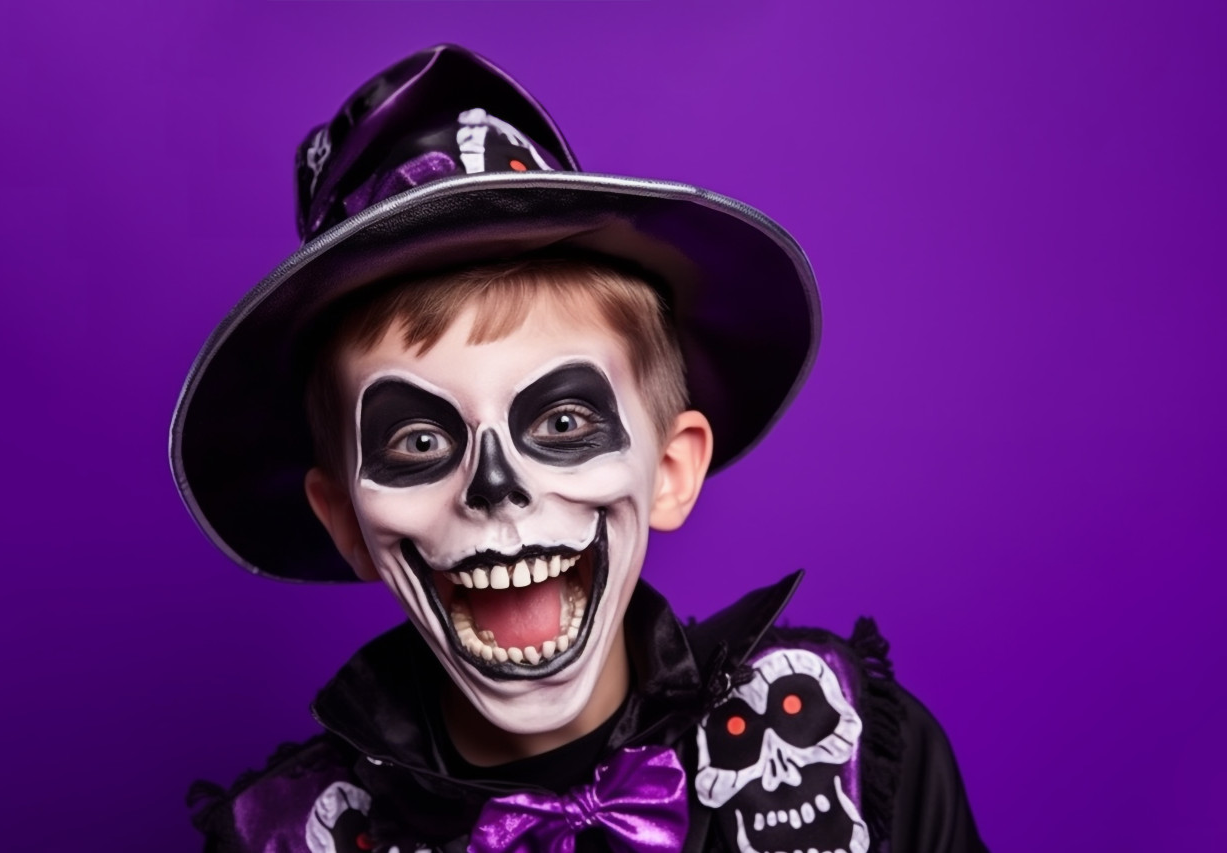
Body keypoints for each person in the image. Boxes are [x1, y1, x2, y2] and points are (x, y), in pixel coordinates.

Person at [172, 44, 986, 853]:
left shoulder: (832, 749)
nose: (495, 484)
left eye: (561, 423)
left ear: (669, 469)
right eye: (418, 440)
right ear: (346, 517)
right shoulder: (288, 837)